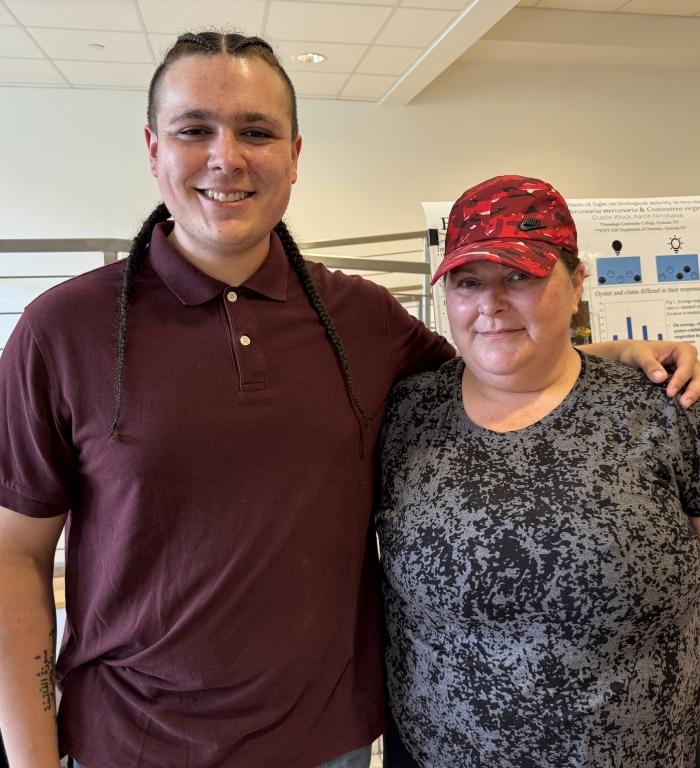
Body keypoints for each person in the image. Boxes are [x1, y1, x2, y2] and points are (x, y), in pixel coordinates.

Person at [0, 35, 697, 768]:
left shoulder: (360, 319)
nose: (226, 157)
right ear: (152, 147)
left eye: (257, 131)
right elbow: (15, 555)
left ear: (296, 155)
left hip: (330, 747)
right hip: (131, 746)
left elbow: (503, 370)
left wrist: (607, 361)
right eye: (194, 129)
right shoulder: (63, 330)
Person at [377, 175, 700, 768]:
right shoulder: (404, 414)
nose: (491, 305)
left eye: (521, 276)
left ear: (577, 282)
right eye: (469, 282)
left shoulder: (666, 406)